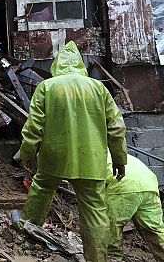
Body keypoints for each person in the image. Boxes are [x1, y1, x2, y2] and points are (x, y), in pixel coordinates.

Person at [19, 41, 127, 262]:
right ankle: (97, 258)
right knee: (95, 211)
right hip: (92, 160)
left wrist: (26, 154)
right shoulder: (99, 88)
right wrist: (119, 159)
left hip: (54, 158)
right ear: (80, 65)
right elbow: (116, 128)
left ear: (57, 65)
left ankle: (25, 236)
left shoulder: (47, 87)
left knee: (41, 190)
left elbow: (33, 126)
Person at [105, 154, 164, 260]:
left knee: (111, 232)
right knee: (156, 232)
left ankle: (114, 258)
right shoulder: (116, 152)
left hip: (123, 186)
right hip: (149, 184)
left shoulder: (93, 154)